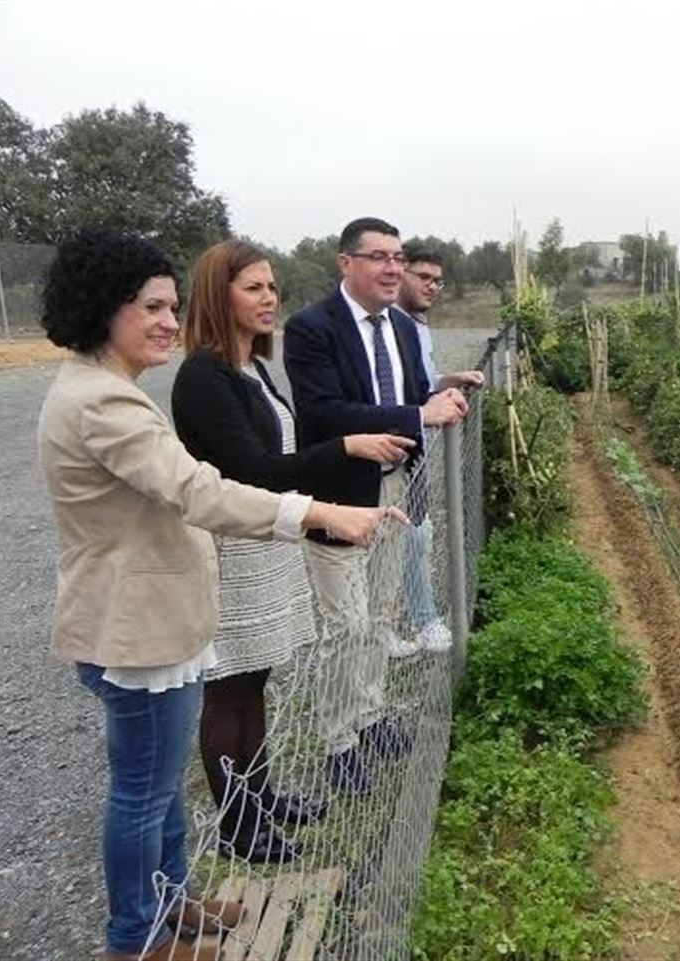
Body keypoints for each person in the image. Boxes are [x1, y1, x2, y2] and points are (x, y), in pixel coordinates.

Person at [37, 228, 398, 961]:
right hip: (135, 628)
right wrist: (320, 512)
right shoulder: (103, 403)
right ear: (102, 308)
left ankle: (172, 901)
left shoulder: (105, 390)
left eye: (171, 307)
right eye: (150, 307)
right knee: (142, 792)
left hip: (148, 621)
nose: (167, 322)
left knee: (160, 786)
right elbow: (200, 489)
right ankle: (136, 937)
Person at [171, 240, 416, 864]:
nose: (269, 299)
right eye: (253, 288)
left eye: (272, 287)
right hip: (233, 550)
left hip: (266, 543)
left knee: (255, 681)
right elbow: (253, 470)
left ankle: (262, 796)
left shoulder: (250, 368)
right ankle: (239, 825)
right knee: (229, 689)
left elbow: (272, 463)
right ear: (217, 295)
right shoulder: (203, 377)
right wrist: (345, 448)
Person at [283, 217, 468, 795]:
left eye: (398, 257)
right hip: (340, 495)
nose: (392, 269)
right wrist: (418, 415)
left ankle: (370, 715)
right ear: (346, 263)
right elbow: (323, 412)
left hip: (394, 488)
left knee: (381, 612)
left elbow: (412, 396)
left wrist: (440, 397)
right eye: (379, 257)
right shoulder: (312, 329)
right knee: (347, 622)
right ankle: (339, 742)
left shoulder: (403, 329)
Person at [392, 247, 486, 653]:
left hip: (416, 445)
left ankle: (412, 620)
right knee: (409, 536)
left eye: (437, 280)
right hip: (395, 446)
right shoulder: (390, 326)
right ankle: (421, 620)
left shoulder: (417, 324)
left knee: (417, 533)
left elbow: (421, 385)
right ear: (401, 274)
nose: (432, 286)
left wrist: (451, 379)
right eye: (423, 277)